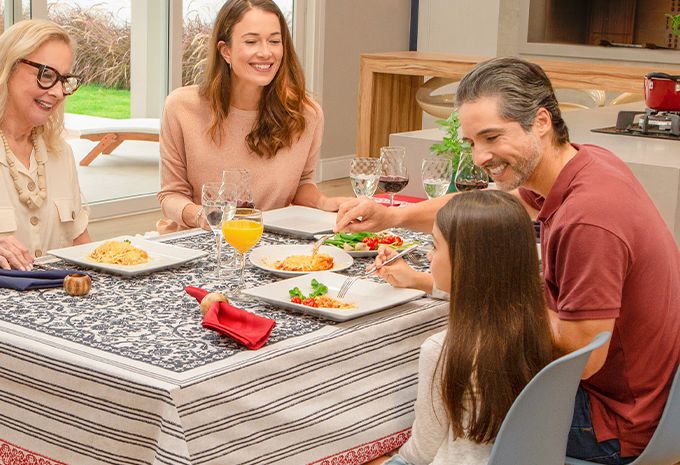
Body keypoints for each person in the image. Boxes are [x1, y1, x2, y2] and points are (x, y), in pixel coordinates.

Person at [337, 57, 680, 464]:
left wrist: (493, 289)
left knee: (426, 393)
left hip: (612, 422)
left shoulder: (587, 218)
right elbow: (491, 205)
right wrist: (394, 215)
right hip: (648, 402)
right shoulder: (583, 165)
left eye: (492, 137)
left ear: (540, 121)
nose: (480, 156)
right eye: (472, 142)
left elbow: (583, 360)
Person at [373, 190, 554, 465]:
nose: (428, 255)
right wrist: (415, 279)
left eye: (434, 246)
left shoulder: (442, 350)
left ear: (465, 261)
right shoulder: (540, 323)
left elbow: (421, 453)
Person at [157, 0, 347, 233]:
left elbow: (302, 185)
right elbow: (171, 195)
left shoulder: (306, 114)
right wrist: (203, 217)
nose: (266, 52)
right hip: (202, 241)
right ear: (226, 51)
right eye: (251, 41)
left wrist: (323, 203)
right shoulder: (182, 108)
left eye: (275, 41)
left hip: (270, 244)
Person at [0, 19, 90, 271]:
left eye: (63, 80)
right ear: (8, 68)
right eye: (46, 75)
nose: (58, 92)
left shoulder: (61, 154)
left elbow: (81, 247)